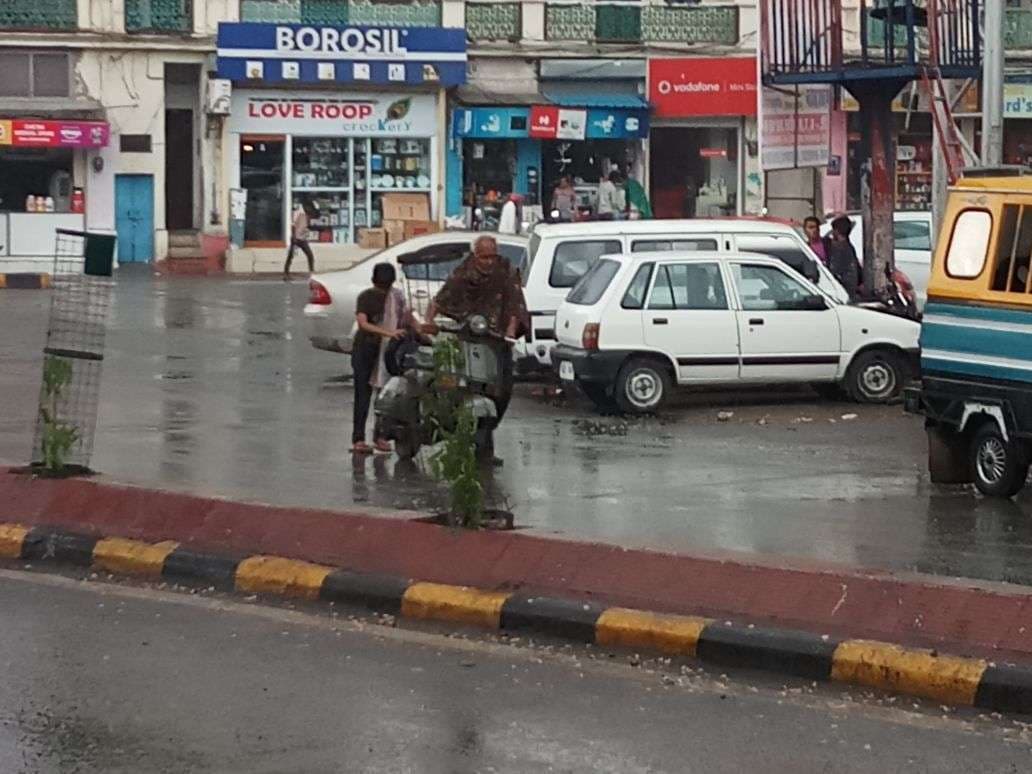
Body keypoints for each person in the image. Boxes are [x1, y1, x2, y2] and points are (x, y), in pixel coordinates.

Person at [426, 235, 529, 448]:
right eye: (484, 258)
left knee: (502, 389)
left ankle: (487, 435)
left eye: (493, 257)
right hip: (468, 336)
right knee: (461, 383)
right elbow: (439, 300)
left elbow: (514, 304)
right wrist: (429, 322)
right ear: (475, 256)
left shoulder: (506, 271)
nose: (489, 262)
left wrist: (510, 332)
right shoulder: (463, 273)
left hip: (497, 339)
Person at [351, 262, 410, 455]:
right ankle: (367, 438)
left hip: (385, 352)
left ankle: (374, 437)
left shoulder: (396, 298)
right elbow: (363, 324)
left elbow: (409, 319)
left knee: (379, 395)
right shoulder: (369, 297)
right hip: (368, 351)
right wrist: (388, 333)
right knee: (369, 394)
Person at [826, 215, 861, 301]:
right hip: (850, 287)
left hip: (843, 289)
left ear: (837, 231)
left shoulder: (839, 248)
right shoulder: (849, 247)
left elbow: (834, 269)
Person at [284, 201, 316, 280]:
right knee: (291, 256)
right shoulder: (298, 213)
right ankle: (286, 273)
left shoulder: (307, 215)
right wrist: (294, 236)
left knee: (310, 255)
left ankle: (311, 272)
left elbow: (305, 226)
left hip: (302, 238)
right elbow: (293, 225)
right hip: (296, 238)